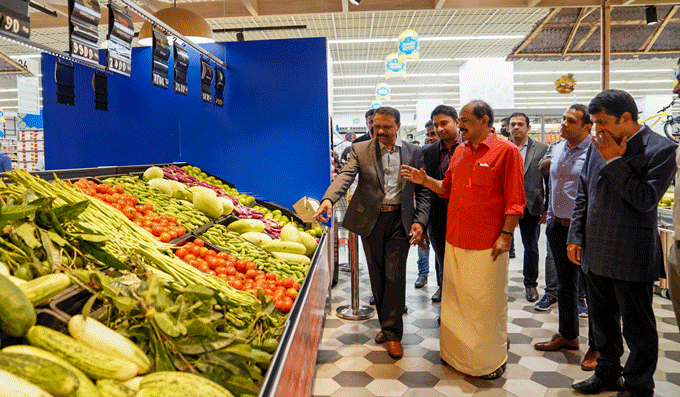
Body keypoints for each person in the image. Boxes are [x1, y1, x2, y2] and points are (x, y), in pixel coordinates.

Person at [401, 100, 525, 380]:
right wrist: (424, 180)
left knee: (484, 305)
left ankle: (487, 360)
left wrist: (506, 236)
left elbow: (515, 201)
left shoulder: (506, 152)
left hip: (487, 243)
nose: (461, 125)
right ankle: (456, 354)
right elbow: (446, 188)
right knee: (456, 302)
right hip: (454, 238)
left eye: (465, 120)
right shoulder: (460, 151)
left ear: (484, 120)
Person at [568, 89, 676, 397]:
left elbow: (645, 200)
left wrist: (614, 161)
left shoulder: (661, 149)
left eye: (602, 122)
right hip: (595, 249)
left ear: (625, 118)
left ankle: (639, 386)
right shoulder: (596, 145)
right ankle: (606, 375)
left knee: (638, 327)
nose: (597, 129)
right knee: (602, 324)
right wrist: (576, 236)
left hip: (631, 252)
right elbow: (584, 193)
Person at [315, 106, 431, 359]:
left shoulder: (413, 152)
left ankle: (393, 333)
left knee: (394, 276)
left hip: (400, 220)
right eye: (376, 126)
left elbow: (423, 191)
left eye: (386, 127)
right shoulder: (361, 149)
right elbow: (345, 176)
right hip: (372, 220)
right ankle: (386, 323)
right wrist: (329, 200)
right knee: (377, 276)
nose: (380, 131)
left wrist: (420, 221)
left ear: (398, 126)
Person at [533, 104, 599, 372]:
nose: (563, 124)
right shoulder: (559, 148)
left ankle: (597, 346)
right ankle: (569, 335)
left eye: (570, 121)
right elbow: (553, 183)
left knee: (593, 291)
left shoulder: (596, 151)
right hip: (557, 227)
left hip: (584, 230)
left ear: (586, 127)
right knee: (565, 285)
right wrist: (550, 217)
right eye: (562, 119)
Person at [419, 104, 461, 302]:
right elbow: (425, 190)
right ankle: (448, 308)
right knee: (443, 263)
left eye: (444, 123)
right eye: (436, 125)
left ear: (457, 122)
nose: (440, 129)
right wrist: (423, 223)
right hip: (439, 217)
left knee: (466, 266)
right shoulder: (428, 152)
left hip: (467, 217)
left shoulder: (470, 147)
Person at [510, 112, 548, 302]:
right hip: (506, 206)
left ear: (528, 128)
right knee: (498, 245)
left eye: (520, 124)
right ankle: (494, 284)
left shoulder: (541, 149)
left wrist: (547, 207)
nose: (516, 127)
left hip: (531, 206)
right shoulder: (502, 148)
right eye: (513, 124)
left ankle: (531, 284)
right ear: (508, 127)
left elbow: (549, 180)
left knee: (531, 247)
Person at [415, 120, 439, 289]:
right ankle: (422, 274)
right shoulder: (423, 153)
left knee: (440, 250)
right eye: (428, 134)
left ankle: (441, 285)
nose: (429, 138)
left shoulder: (451, 153)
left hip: (441, 207)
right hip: (424, 208)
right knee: (422, 243)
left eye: (433, 134)